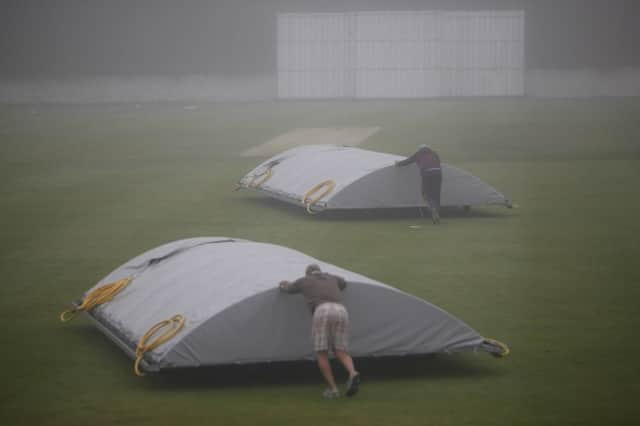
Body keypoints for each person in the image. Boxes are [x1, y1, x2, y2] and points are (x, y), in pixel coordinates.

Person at [279, 264, 360, 399]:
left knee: (321, 352)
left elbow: (288, 289)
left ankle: (333, 389)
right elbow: (344, 283)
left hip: (322, 310)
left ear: (307, 273)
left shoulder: (304, 280)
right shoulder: (332, 277)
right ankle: (352, 372)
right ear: (319, 271)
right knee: (340, 350)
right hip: (341, 310)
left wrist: (283, 284)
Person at [395, 144, 442, 223]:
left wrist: (398, 164)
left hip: (427, 174)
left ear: (419, 149)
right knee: (436, 195)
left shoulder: (418, 154)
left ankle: (432, 208)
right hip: (438, 173)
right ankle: (436, 211)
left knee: (425, 193)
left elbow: (408, 161)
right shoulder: (434, 153)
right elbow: (438, 162)